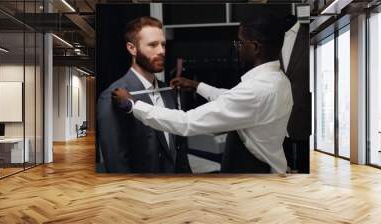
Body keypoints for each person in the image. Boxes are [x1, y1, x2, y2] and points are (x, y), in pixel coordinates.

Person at [112, 15, 293, 174]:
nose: (237, 47)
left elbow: (187, 122)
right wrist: (197, 85)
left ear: (254, 47)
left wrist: (134, 105)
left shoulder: (256, 91)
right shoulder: (279, 81)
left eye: (240, 42)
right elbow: (235, 99)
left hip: (252, 174)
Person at [97, 16, 191, 173]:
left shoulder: (168, 91)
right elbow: (117, 164)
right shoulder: (111, 96)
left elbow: (178, 149)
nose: (161, 51)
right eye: (153, 45)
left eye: (163, 44)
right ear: (132, 48)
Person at [281, 15, 311, 173]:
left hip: (303, 113)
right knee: (282, 168)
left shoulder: (309, 36)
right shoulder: (273, 39)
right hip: (277, 113)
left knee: (304, 165)